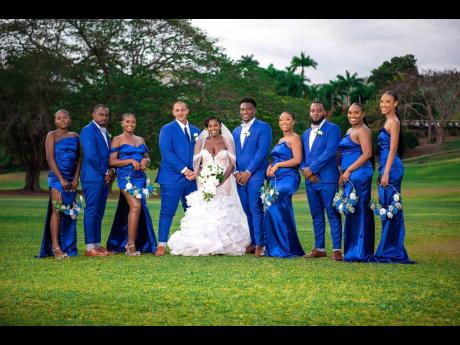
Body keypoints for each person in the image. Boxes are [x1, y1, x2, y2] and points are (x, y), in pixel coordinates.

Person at [167, 117, 251, 256]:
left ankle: (227, 243)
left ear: (220, 126)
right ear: (206, 128)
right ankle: (206, 243)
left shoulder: (227, 141)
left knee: (224, 208)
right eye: (210, 126)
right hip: (205, 181)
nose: (213, 128)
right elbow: (197, 165)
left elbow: (232, 163)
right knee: (206, 209)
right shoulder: (201, 142)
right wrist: (204, 178)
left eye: (215, 125)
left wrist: (222, 180)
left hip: (225, 181)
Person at [106, 113, 157, 256]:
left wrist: (144, 162)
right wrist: (130, 161)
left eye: (133, 122)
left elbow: (148, 159)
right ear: (122, 123)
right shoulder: (117, 139)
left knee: (136, 209)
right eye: (127, 121)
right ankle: (130, 245)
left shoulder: (140, 139)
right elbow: (112, 162)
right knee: (135, 207)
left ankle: (136, 242)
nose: (130, 124)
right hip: (126, 178)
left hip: (140, 177)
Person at [373, 91, 415, 264]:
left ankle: (393, 250)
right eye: (382, 101)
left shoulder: (394, 122)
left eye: (388, 102)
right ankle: (389, 247)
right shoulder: (387, 121)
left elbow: (393, 149)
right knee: (387, 206)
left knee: (392, 207)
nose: (383, 104)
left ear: (395, 104)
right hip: (385, 167)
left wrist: (386, 172)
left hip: (392, 168)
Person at [154, 101, 201, 256]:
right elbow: (167, 152)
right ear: (173, 112)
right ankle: (161, 244)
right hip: (171, 178)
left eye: (183, 110)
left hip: (192, 179)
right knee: (167, 211)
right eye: (177, 110)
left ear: (187, 110)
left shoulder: (197, 131)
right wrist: (184, 170)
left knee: (193, 211)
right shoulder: (166, 129)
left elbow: (200, 154)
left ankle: (193, 242)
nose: (180, 112)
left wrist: (195, 171)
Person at [300, 101, 343, 261]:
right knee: (316, 215)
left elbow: (330, 152)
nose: (316, 113)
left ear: (324, 112)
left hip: (328, 180)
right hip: (311, 182)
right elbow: (302, 156)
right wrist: (305, 171)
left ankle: (337, 249)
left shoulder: (333, 129)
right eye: (312, 110)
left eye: (319, 110)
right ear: (309, 113)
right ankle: (320, 248)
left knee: (332, 214)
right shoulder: (305, 134)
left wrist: (312, 169)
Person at [38, 109, 80, 259]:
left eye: (65, 117)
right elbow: (50, 159)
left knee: (70, 211)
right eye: (59, 118)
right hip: (57, 178)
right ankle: (55, 247)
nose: (62, 120)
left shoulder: (75, 136)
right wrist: (61, 179)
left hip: (71, 179)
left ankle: (68, 246)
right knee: (57, 210)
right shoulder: (52, 135)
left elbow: (79, 160)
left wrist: (76, 179)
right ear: (55, 121)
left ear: (70, 119)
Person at [232, 97, 272, 257]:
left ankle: (261, 244)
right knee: (247, 210)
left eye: (248, 109)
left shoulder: (263, 127)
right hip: (239, 175)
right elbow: (232, 154)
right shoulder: (235, 131)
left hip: (255, 174)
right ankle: (253, 241)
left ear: (254, 110)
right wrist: (236, 172)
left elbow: (262, 152)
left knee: (256, 208)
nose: (245, 112)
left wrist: (248, 172)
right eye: (242, 109)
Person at [264, 112, 305, 258]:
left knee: (277, 203)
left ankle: (286, 247)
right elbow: (276, 158)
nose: (284, 122)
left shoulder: (295, 138)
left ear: (293, 121)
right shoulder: (281, 139)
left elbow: (297, 159)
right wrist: (271, 166)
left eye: (288, 119)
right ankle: (274, 247)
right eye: (281, 119)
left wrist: (278, 165)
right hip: (275, 178)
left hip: (289, 177)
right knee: (271, 208)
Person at [338, 103, 375, 262]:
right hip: (349, 175)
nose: (352, 115)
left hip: (359, 174)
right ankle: (352, 249)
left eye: (356, 113)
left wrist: (349, 170)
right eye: (350, 112)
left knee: (359, 210)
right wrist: (342, 170)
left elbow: (367, 154)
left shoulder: (363, 130)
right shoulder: (349, 130)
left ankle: (360, 251)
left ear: (363, 114)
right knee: (351, 211)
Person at [80, 104, 116, 257]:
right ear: (93, 114)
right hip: (92, 177)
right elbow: (91, 155)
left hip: (104, 178)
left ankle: (97, 245)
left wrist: (112, 170)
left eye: (106, 115)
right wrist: (106, 171)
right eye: (101, 115)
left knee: (99, 212)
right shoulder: (87, 130)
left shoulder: (106, 132)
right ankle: (89, 248)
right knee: (92, 210)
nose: (104, 118)